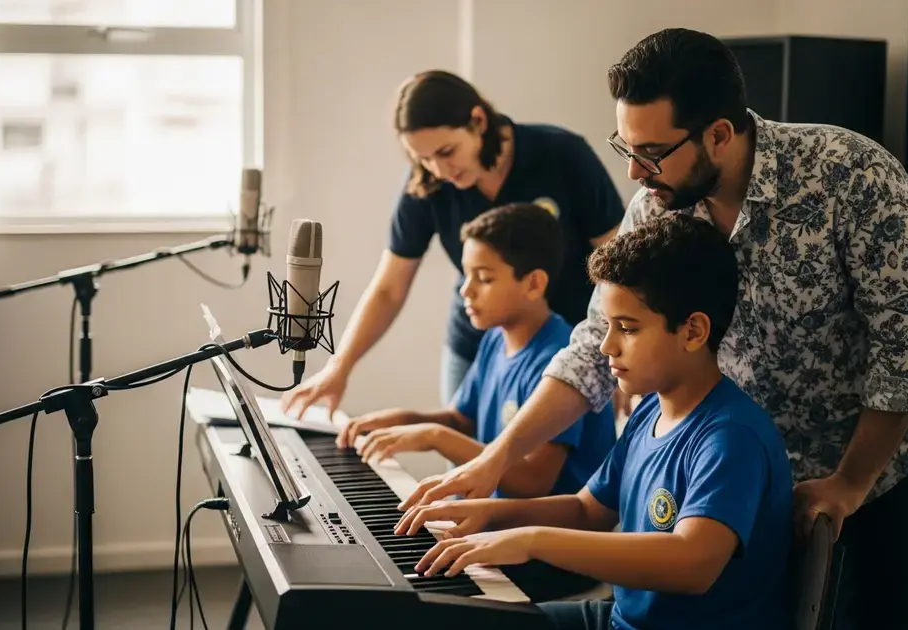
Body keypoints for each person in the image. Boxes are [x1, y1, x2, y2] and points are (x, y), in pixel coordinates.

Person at [399, 28, 908, 630]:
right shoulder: (657, 203)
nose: (635, 172)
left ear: (719, 133)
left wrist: (849, 481)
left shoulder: (850, 175)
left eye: (653, 152)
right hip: (728, 459)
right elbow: (591, 344)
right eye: (626, 146)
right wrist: (496, 462)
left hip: (865, 460)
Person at [397, 214, 793, 630]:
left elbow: (693, 564)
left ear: (693, 331)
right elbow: (589, 511)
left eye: (627, 328)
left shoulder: (731, 437)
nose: (606, 346)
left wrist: (533, 541)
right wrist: (489, 513)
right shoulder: (650, 411)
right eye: (607, 326)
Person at [281, 69, 625, 419]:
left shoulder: (562, 154)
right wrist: (340, 366)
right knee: (463, 461)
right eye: (423, 158)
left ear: (477, 120)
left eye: (447, 151)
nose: (440, 169)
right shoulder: (427, 183)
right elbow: (389, 288)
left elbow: (616, 262)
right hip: (476, 347)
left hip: (570, 341)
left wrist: (614, 349)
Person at [344, 203, 616, 500]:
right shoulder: (495, 339)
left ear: (533, 284)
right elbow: (461, 420)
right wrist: (402, 420)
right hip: (488, 525)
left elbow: (534, 480)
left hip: (541, 539)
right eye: (466, 275)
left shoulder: (560, 360)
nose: (466, 289)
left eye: (484, 278)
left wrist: (434, 437)